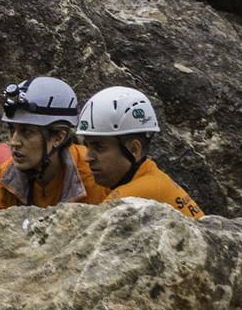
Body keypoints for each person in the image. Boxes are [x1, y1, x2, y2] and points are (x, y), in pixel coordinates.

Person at [0, 76, 111, 215]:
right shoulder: (1, 182)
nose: (14, 142)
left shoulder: (96, 178)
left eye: (27, 131)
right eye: (12, 129)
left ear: (58, 137)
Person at [77, 86, 204, 218]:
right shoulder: (149, 176)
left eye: (99, 147)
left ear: (134, 150)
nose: (88, 157)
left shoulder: (131, 197)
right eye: (87, 145)